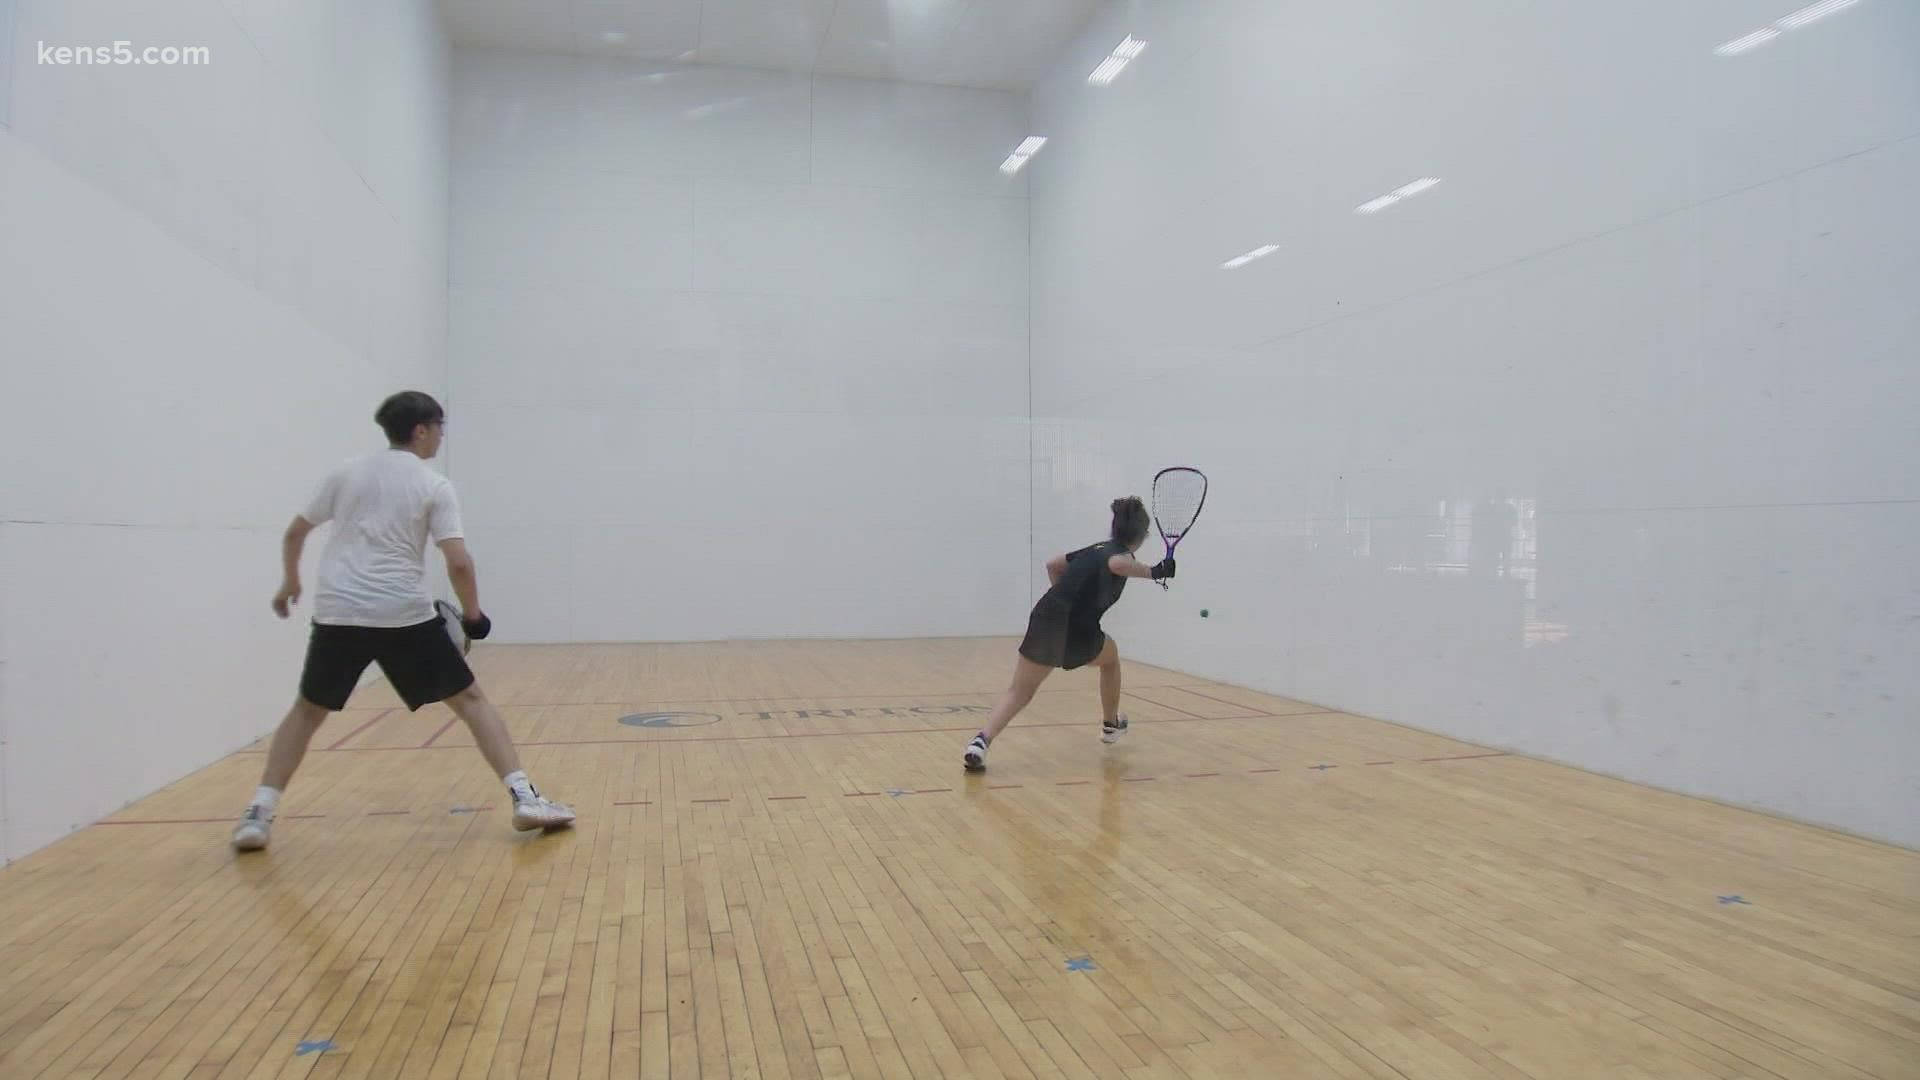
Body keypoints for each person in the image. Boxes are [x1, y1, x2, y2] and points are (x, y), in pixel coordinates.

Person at [230, 391, 575, 850]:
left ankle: (258, 814)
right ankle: (525, 798)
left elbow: (296, 532)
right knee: (471, 700)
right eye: (438, 428)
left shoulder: (345, 473)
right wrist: (473, 616)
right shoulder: (434, 486)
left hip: (339, 611)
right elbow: (458, 563)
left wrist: (289, 583)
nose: (440, 437)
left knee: (307, 710)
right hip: (402, 615)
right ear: (420, 430)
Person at [963, 496, 1173, 770]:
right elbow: (1117, 565)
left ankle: (980, 742)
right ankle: (1111, 725)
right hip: (1078, 630)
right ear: (1142, 536)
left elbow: (1053, 564)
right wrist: (1155, 572)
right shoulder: (1119, 556)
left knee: (1020, 691)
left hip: (1046, 617)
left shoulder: (1097, 548)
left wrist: (1064, 600)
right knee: (1111, 660)